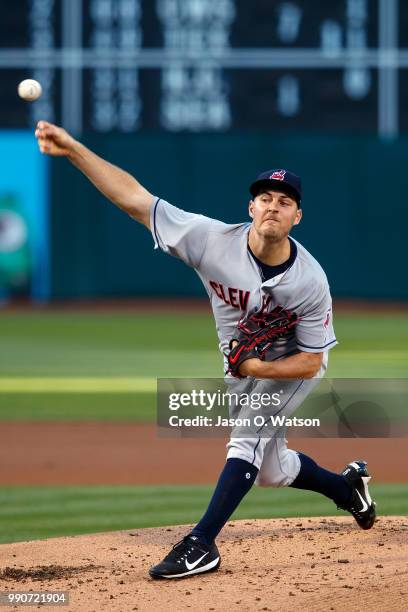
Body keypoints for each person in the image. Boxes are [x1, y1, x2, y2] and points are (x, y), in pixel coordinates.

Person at [35, 121, 376, 580]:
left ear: (297, 216)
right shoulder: (210, 240)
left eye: (285, 201)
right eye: (266, 198)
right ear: (250, 206)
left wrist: (257, 365)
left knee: (246, 440)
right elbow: (136, 200)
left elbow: (313, 360)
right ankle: (347, 488)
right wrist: (74, 150)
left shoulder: (310, 282)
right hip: (241, 369)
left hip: (290, 369)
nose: (273, 206)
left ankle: (201, 544)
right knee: (272, 469)